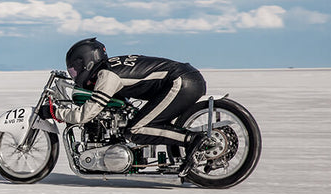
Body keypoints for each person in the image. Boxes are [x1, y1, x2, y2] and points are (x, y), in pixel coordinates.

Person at [38, 37, 208, 176]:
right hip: (186, 79)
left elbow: (85, 115)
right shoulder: (110, 67)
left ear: (86, 62)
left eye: (75, 70)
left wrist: (54, 112)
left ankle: (192, 140)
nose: (74, 75)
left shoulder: (107, 76)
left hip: (181, 82)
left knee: (135, 130)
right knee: (139, 122)